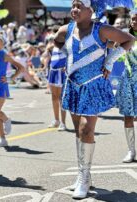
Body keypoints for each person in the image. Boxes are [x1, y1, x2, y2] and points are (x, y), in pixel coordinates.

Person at [54, 0, 135, 199]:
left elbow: (129, 40)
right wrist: (66, 58)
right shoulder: (67, 29)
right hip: (73, 84)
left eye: (79, 6)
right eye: (73, 5)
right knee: (77, 131)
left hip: (93, 85)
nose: (75, 9)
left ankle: (83, 177)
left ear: (92, 10)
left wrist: (109, 60)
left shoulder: (103, 30)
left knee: (85, 129)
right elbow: (57, 41)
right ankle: (85, 175)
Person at [0, 32, 24, 147]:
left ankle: (7, 119)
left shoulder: (4, 55)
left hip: (1, 85)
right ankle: (3, 139)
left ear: (2, 43)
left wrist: (11, 78)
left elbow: (20, 67)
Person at [116, 9, 137, 163]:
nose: (133, 22)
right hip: (128, 80)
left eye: (136, 19)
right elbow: (116, 57)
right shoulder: (126, 37)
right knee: (127, 116)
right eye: (132, 19)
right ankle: (131, 151)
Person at [47, 44, 67, 131]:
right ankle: (56, 120)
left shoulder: (68, 44)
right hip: (53, 72)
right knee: (54, 97)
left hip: (61, 72)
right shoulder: (54, 46)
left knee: (61, 98)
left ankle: (63, 122)